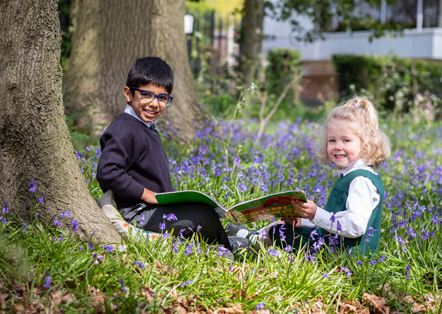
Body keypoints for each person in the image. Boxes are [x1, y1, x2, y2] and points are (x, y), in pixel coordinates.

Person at [97, 57, 238, 253]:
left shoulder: (145, 127)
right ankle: (230, 252)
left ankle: (238, 237)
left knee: (206, 213)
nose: (155, 104)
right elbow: (108, 172)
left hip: (154, 208)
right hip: (137, 213)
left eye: (162, 98)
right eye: (146, 95)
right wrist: (148, 195)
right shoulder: (124, 128)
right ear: (128, 93)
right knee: (202, 215)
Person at [227, 97, 391, 255]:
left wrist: (315, 214)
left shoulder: (360, 180)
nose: (337, 147)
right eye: (332, 140)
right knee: (287, 225)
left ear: (366, 144)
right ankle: (249, 237)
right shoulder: (355, 176)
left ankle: (246, 242)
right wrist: (305, 218)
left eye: (346, 140)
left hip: (343, 255)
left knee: (281, 231)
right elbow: (339, 218)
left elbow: (355, 226)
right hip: (336, 246)